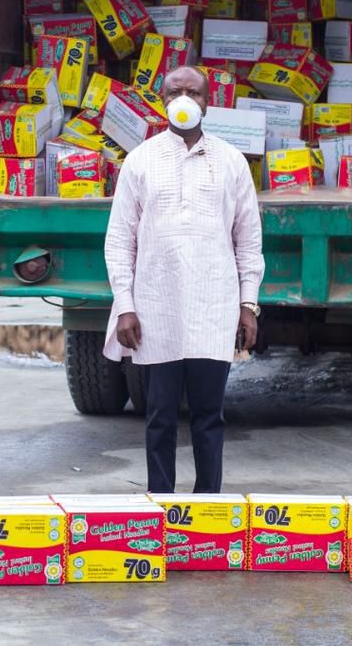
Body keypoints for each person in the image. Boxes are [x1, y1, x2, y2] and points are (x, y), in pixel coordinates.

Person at [103, 66, 265, 494]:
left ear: (208, 102)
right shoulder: (140, 161)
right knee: (159, 416)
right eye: (175, 91)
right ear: (161, 99)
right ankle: (160, 506)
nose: (184, 99)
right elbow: (120, 241)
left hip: (214, 307)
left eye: (193, 92)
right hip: (157, 309)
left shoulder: (231, 161)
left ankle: (207, 509)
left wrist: (248, 304)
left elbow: (248, 241)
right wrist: (125, 305)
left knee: (210, 417)